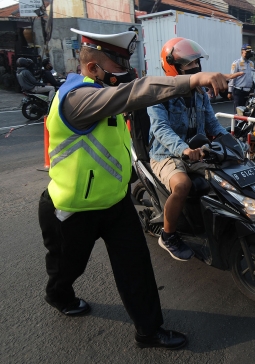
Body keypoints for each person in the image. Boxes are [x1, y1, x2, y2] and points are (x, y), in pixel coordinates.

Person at [38, 28, 240, 350]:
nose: (128, 72)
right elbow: (140, 92)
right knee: (68, 267)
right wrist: (194, 80)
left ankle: (149, 331)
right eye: (118, 65)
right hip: (72, 209)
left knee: (137, 269)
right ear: (93, 68)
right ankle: (58, 293)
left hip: (116, 204)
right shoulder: (78, 97)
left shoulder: (104, 93)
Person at [148, 37, 228, 261]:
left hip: (197, 152)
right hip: (165, 154)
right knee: (182, 185)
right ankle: (168, 235)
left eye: (196, 63)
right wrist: (183, 149)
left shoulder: (200, 94)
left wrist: (234, 143)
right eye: (188, 64)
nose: (195, 67)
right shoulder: (159, 94)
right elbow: (161, 129)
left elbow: (213, 125)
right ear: (172, 65)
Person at [228, 44, 255, 110]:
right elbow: (232, 77)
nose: (249, 54)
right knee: (238, 113)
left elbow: (251, 77)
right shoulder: (236, 63)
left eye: (249, 52)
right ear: (242, 52)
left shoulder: (251, 63)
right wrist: (229, 91)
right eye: (247, 52)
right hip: (239, 91)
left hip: (249, 92)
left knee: (247, 112)